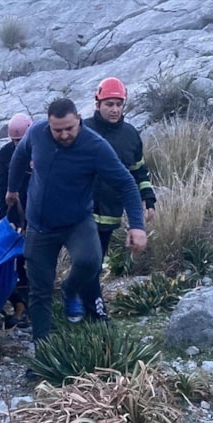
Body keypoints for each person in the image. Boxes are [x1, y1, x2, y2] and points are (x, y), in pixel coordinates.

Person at [5, 98, 147, 342]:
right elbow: (19, 156)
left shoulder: (95, 146)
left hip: (77, 222)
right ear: (48, 124)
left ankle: (70, 289)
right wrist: (12, 189)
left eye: (69, 128)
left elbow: (126, 183)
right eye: (57, 130)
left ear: (79, 120)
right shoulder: (37, 132)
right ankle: (42, 350)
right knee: (40, 290)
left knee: (90, 262)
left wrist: (137, 226)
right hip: (39, 226)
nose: (63, 135)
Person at [80, 77, 157, 321]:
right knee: (89, 261)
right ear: (98, 103)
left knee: (96, 261)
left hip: (110, 212)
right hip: (80, 213)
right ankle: (95, 311)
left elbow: (139, 171)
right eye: (109, 104)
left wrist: (148, 197)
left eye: (118, 104)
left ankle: (83, 304)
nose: (114, 109)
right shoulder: (83, 130)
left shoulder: (130, 135)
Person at [0, 113, 33, 328]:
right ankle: (21, 304)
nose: (18, 144)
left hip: (37, 212)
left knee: (34, 259)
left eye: (21, 140)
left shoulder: (41, 150)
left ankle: (33, 303)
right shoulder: (6, 153)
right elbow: (2, 185)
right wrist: (5, 218)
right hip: (15, 212)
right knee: (15, 261)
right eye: (14, 141)